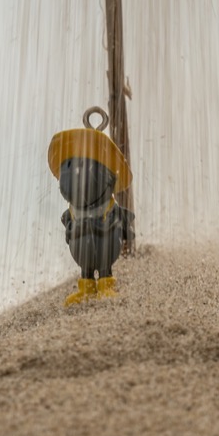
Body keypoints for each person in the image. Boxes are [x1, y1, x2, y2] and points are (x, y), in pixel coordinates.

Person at [47, 120, 135, 306]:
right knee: (85, 267)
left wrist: (107, 226)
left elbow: (120, 222)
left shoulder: (110, 209)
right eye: (70, 166)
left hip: (106, 246)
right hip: (81, 250)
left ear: (110, 179)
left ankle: (105, 283)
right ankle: (86, 287)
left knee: (105, 264)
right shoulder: (71, 213)